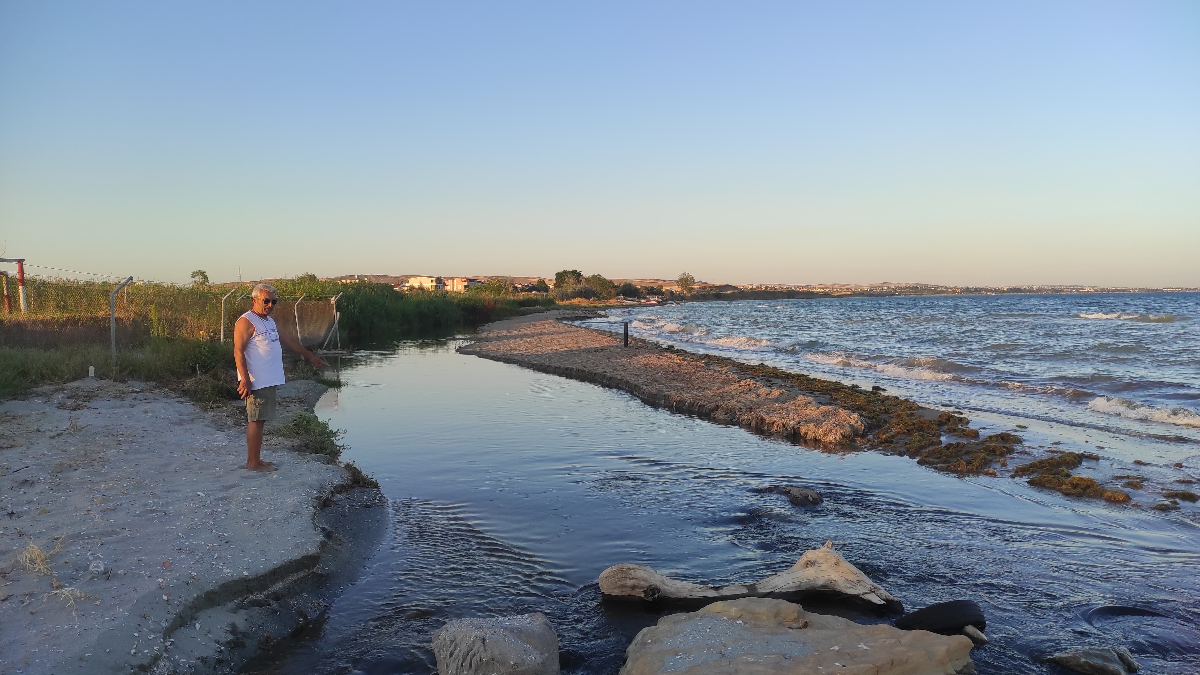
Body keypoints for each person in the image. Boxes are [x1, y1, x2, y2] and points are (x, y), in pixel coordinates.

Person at [234, 283, 327, 471]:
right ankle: (252, 463)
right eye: (266, 301)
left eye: (273, 302)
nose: (270, 305)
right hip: (256, 380)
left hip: (268, 380)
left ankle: (256, 460)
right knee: (256, 419)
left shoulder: (269, 321)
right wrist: (245, 379)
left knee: (261, 419)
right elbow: (238, 351)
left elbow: (289, 341)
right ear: (254, 300)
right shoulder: (246, 321)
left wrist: (311, 357)